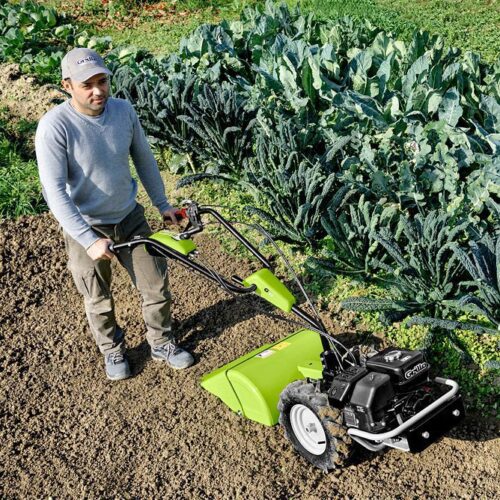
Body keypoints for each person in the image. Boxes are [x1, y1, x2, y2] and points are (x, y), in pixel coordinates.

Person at [35, 47, 194, 381]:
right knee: (98, 298)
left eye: (102, 81)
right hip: (86, 225)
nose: (98, 91)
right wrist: (88, 239)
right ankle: (113, 349)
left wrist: (163, 205)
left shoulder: (123, 111)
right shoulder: (55, 127)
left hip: (129, 216)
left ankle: (162, 342)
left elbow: (145, 160)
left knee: (156, 286)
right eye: (87, 85)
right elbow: (54, 192)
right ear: (67, 86)